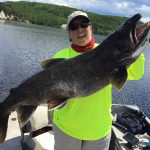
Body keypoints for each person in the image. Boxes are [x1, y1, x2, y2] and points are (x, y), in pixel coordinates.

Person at [52, 11, 145, 150]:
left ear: (91, 28)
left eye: (84, 24)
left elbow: (135, 74)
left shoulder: (108, 51)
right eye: (74, 27)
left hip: (99, 130)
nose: (80, 29)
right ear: (69, 34)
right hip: (67, 128)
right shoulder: (60, 57)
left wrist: (138, 49)